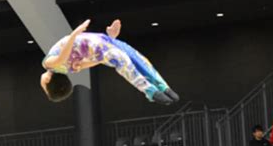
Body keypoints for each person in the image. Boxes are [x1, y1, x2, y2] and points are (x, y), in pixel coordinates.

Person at [41, 18, 179, 106]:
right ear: (47, 81)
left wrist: (110, 38)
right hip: (102, 47)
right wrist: (75, 34)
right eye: (44, 88)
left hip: (104, 43)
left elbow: (73, 59)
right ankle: (152, 90)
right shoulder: (53, 65)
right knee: (127, 63)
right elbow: (64, 58)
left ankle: (163, 87)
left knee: (138, 59)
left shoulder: (62, 67)